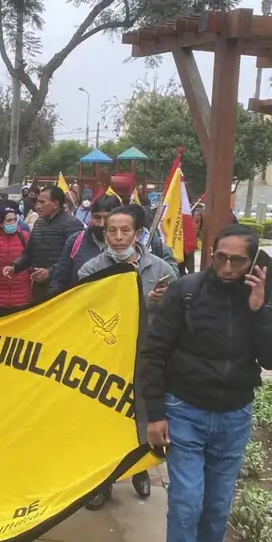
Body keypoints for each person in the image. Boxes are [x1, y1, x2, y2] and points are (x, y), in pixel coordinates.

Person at [140, 224, 272, 542]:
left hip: (233, 416)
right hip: (184, 411)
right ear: (211, 255)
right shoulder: (185, 292)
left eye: (237, 261)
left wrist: (259, 310)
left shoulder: (263, 297)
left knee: (217, 504)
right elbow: (153, 353)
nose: (226, 268)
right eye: (220, 257)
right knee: (186, 501)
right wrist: (156, 414)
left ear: (253, 263)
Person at [77, 205, 180, 509]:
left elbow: (176, 317)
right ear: (104, 233)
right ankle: (102, 481)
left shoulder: (162, 270)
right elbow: (84, 313)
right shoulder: (91, 270)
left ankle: (140, 469)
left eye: (125, 231)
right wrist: (136, 303)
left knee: (143, 415)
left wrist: (156, 305)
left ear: (138, 234)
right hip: (105, 357)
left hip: (148, 359)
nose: (118, 237)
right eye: (112, 231)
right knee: (104, 419)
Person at [3, 185, 83, 303]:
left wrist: (49, 272)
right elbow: (28, 253)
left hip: (62, 289)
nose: (37, 206)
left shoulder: (72, 224)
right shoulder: (39, 223)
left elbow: (75, 260)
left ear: (55, 204)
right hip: (39, 286)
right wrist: (14, 266)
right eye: (37, 202)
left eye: (42, 202)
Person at [49, 194, 121, 297]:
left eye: (106, 218)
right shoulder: (75, 241)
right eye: (97, 217)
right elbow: (59, 279)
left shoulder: (127, 246)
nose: (101, 224)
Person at [0, 201, 33, 316]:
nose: (13, 223)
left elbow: (31, 260)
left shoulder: (24, 237)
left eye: (14, 219)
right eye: (9, 220)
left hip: (22, 297)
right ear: (0, 223)